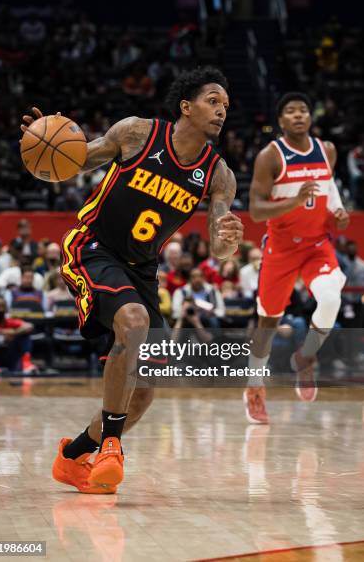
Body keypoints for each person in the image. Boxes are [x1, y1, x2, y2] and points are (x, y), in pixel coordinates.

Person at [20, 66, 243, 494]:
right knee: (136, 320)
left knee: (144, 391)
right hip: (93, 246)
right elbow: (78, 159)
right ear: (186, 106)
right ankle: (110, 448)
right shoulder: (137, 134)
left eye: (226, 106)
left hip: (141, 269)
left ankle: (71, 458)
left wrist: (228, 239)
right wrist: (41, 145)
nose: (221, 112)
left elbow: (219, 244)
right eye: (212, 101)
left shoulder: (219, 176)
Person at [246, 92, 349, 424]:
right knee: (268, 323)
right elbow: (256, 210)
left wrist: (338, 212)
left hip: (317, 244)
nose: (298, 115)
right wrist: (293, 202)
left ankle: (305, 358)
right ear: (281, 121)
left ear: (310, 116)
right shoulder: (270, 156)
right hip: (281, 247)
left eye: (303, 110)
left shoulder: (327, 150)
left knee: (331, 298)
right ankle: (254, 387)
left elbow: (329, 189)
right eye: (290, 112)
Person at [0, 296, 37, 376]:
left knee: (25, 335)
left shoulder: (10, 321)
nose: (0, 309)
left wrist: (14, 333)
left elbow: (30, 326)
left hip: (10, 355)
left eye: (3, 307)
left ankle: (26, 363)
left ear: (6, 309)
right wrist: (2, 331)